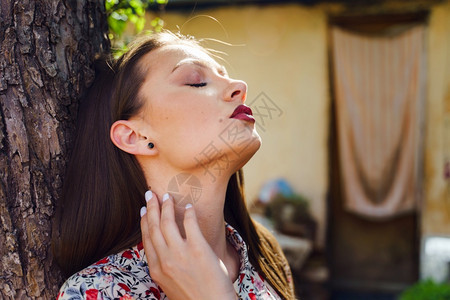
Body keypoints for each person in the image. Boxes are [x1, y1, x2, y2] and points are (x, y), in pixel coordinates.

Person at [53, 31, 295, 300]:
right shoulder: (94, 292)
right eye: (197, 82)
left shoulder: (267, 258)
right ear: (136, 136)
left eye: (225, 75)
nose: (239, 85)